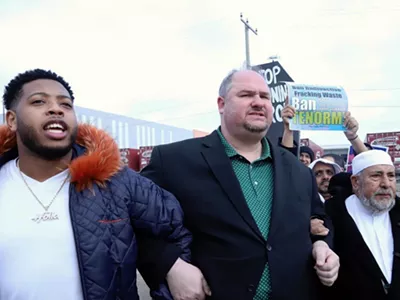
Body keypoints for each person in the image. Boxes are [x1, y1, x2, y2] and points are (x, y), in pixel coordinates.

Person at [0, 69, 210, 300]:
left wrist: (171, 269)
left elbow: (176, 228)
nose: (56, 109)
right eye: (39, 101)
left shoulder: (115, 181)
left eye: (66, 105)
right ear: (11, 120)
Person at [141, 69, 339, 300]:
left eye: (264, 97)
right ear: (221, 104)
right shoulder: (174, 160)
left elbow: (319, 219)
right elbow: (128, 219)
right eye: (246, 95)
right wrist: (170, 265)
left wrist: (322, 245)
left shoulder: (298, 170)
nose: (258, 102)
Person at [325, 150, 400, 299]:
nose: (385, 183)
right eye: (376, 176)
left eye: (391, 176)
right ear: (355, 182)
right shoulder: (331, 215)